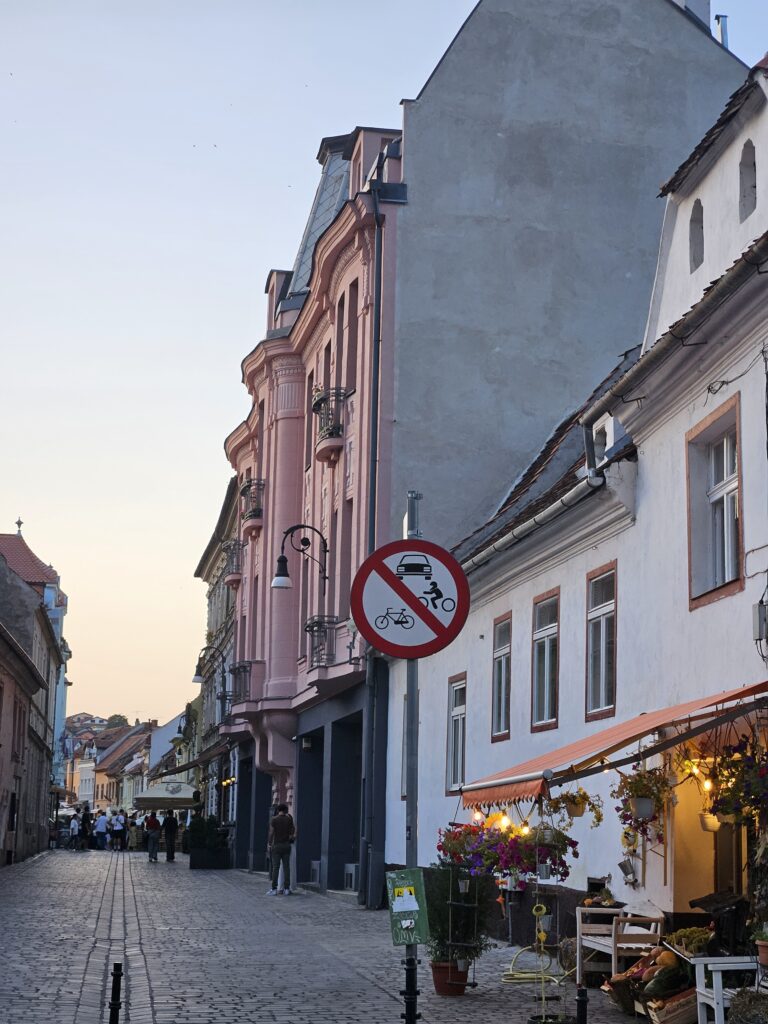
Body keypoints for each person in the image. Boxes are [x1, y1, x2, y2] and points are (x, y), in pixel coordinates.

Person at [266, 803, 295, 895]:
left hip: (277, 845)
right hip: (286, 845)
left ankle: (274, 889)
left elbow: (271, 832)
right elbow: (292, 832)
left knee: (276, 867)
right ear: (285, 810)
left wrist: (269, 844)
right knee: (286, 867)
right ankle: (286, 889)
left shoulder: (274, 819)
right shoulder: (289, 819)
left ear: (278, 810)